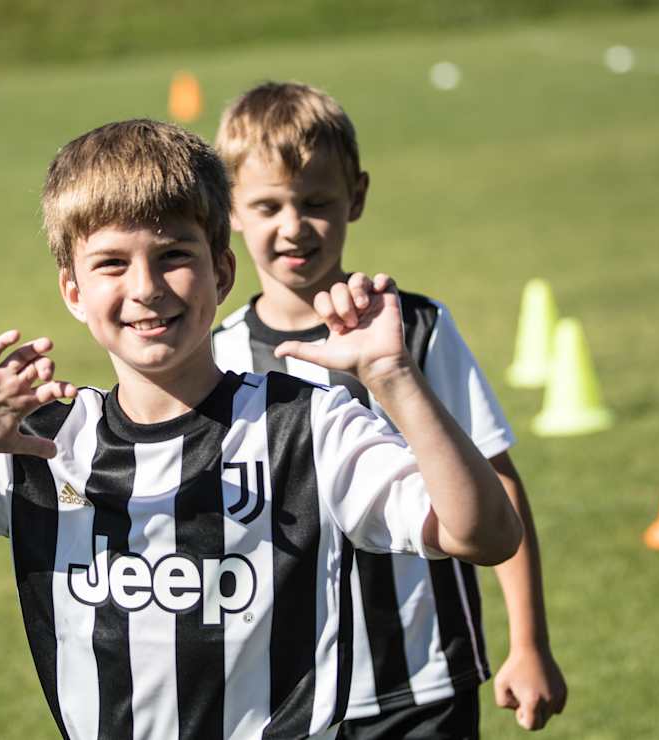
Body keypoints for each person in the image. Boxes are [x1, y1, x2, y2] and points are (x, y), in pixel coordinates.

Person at [0, 118, 522, 739]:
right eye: (111, 264)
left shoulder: (305, 426)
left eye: (174, 255)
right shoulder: (45, 442)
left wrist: (394, 378)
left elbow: (484, 535)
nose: (145, 288)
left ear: (222, 270)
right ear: (72, 290)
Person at [212, 81, 567, 737]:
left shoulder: (415, 330)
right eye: (268, 206)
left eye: (316, 202)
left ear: (357, 196)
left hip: (424, 678)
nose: (293, 226)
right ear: (231, 208)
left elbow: (498, 482)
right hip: (287, 695)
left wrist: (529, 642)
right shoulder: (217, 358)